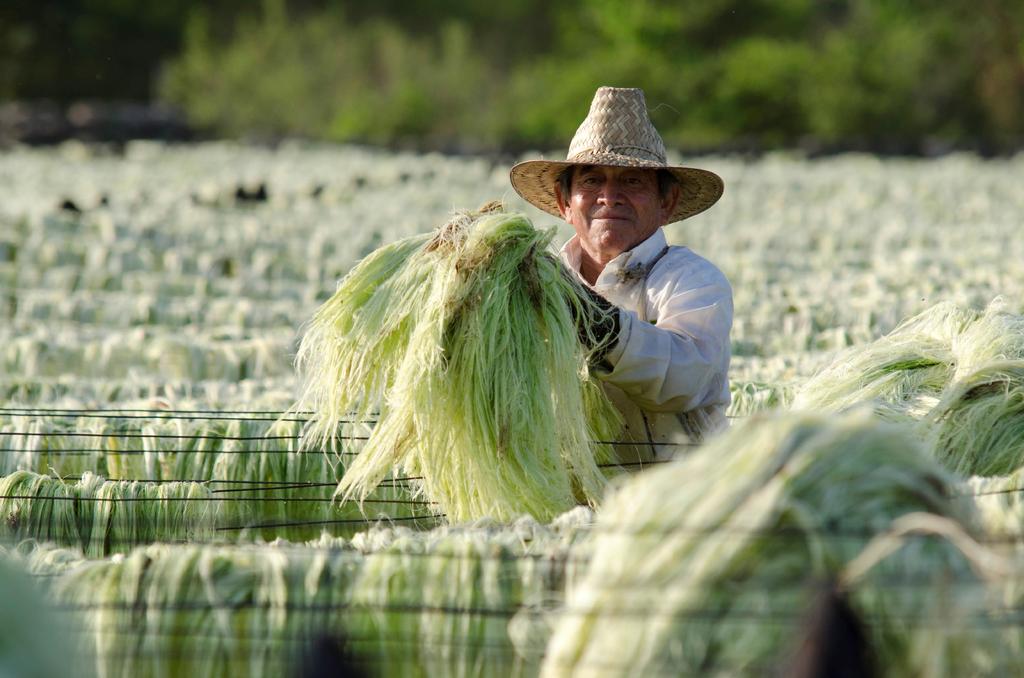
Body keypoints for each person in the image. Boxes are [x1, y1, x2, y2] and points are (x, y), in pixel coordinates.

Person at [510, 86, 732, 459]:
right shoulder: (536, 282)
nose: (609, 196)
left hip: (680, 498)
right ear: (566, 202)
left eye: (632, 181)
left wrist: (594, 322)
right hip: (565, 502)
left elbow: (683, 376)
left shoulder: (693, 280)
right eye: (592, 180)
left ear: (667, 202)